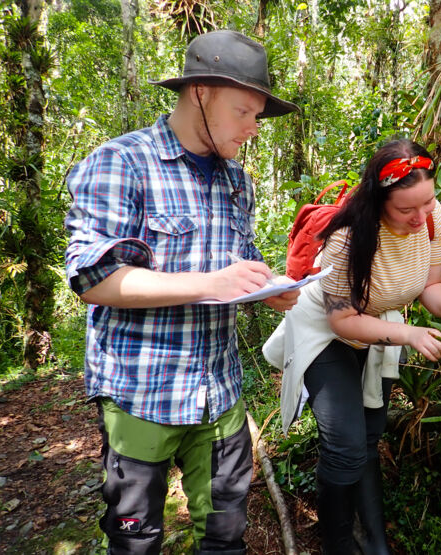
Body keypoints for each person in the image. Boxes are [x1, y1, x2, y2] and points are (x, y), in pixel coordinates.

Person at [64, 30, 299, 555]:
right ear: (200, 93)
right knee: (136, 541)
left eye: (257, 117)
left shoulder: (237, 179)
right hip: (142, 392)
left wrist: (265, 288)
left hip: (220, 394)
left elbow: (231, 268)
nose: (253, 130)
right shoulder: (121, 162)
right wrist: (210, 284)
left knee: (225, 536)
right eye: (244, 112)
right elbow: (95, 281)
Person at [263, 139, 441, 554]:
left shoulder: (435, 220)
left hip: (379, 324)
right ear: (379, 201)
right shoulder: (347, 237)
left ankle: (375, 541)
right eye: (405, 209)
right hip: (326, 328)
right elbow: (342, 320)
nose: (420, 217)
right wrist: (410, 335)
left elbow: (431, 285)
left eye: (428, 202)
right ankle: (338, 544)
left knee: (368, 436)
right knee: (344, 441)